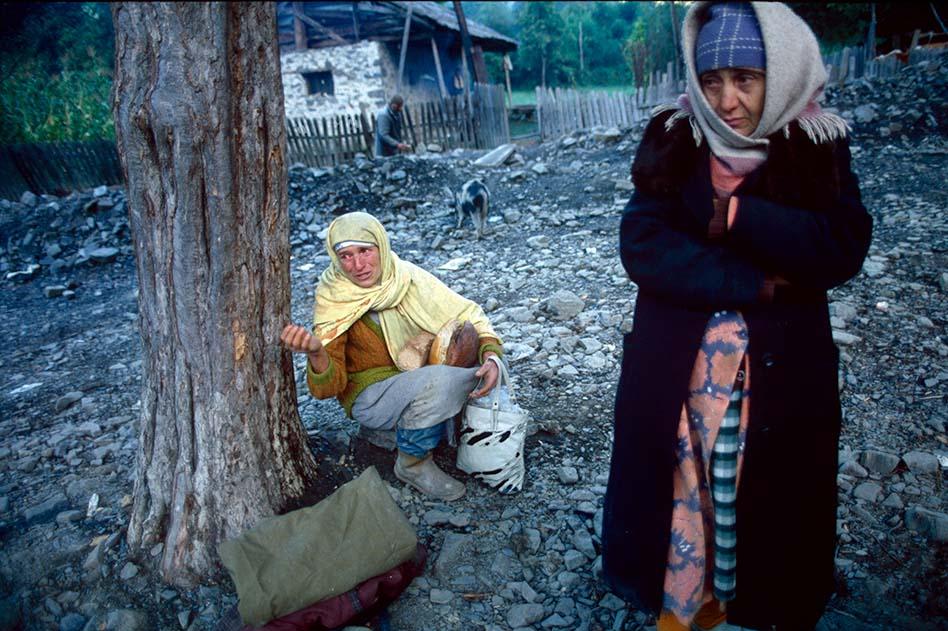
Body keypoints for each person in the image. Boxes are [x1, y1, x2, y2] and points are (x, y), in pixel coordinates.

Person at [601, 3, 872, 630]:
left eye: (746, 79)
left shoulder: (815, 145)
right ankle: (686, 596)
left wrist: (741, 218)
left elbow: (842, 244)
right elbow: (644, 244)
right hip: (678, 367)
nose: (725, 100)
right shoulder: (677, 137)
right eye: (712, 80)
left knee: (760, 486)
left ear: (779, 73)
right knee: (683, 476)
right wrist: (755, 280)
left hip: (779, 372)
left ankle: (750, 598)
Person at [281, 212, 502, 502]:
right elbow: (326, 389)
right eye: (346, 256)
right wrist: (317, 352)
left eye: (365, 251)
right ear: (335, 259)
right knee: (445, 381)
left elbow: (467, 314)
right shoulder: (335, 298)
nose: (358, 265)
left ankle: (410, 433)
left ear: (381, 247)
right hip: (371, 395)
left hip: (415, 378)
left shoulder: (406, 277)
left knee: (489, 362)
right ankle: (412, 463)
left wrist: (491, 355)